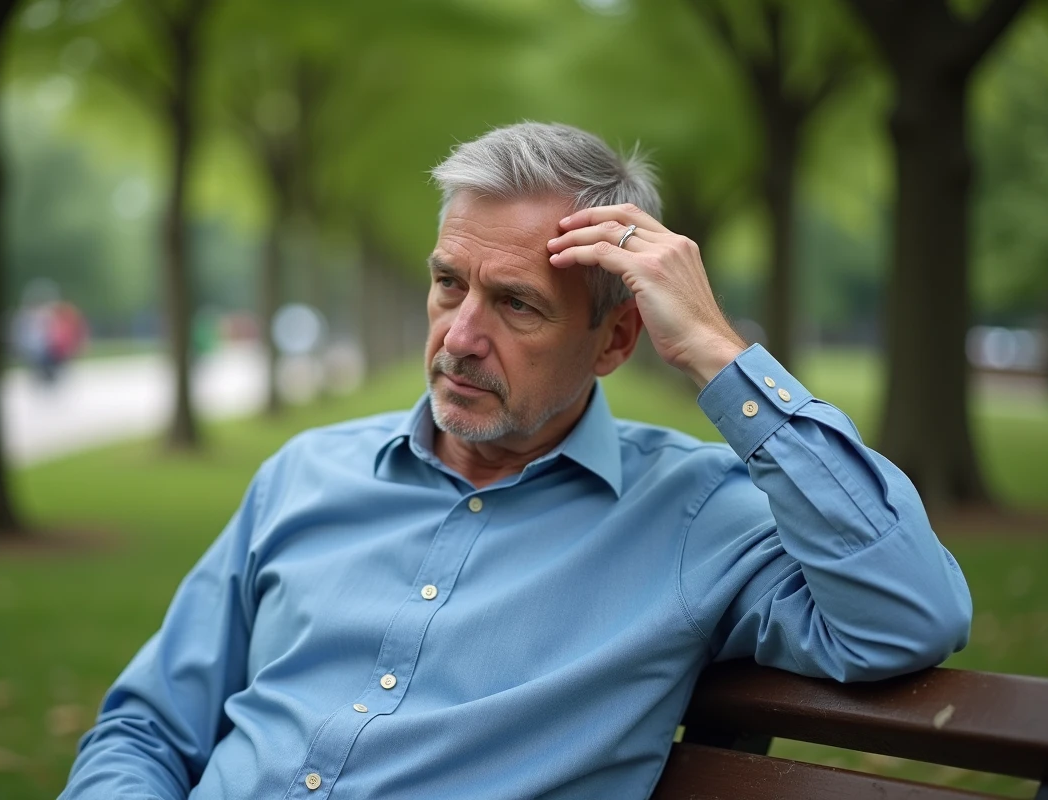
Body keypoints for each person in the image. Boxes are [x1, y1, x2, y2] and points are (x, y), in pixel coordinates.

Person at [60, 123, 972, 800]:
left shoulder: (696, 517)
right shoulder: (305, 474)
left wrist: (717, 353)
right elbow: (146, 729)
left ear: (616, 341)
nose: (460, 337)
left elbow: (907, 614)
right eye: (448, 283)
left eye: (517, 305)